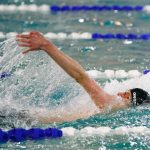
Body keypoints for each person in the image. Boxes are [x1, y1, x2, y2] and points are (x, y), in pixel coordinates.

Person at [16, 31, 149, 124]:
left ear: (129, 101)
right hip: (33, 118)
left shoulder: (109, 103)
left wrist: (47, 46)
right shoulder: (113, 111)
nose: (120, 93)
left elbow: (80, 76)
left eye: (125, 94)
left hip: (27, 120)